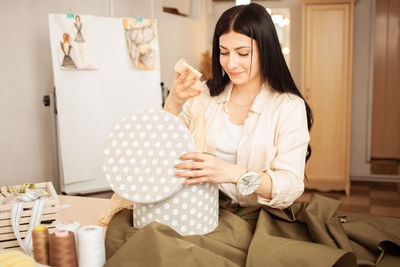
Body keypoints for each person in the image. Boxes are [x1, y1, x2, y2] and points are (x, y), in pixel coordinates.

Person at [163, 3, 313, 209]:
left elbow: (290, 186)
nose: (231, 63)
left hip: (259, 218)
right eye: (224, 52)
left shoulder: (288, 107)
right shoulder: (205, 94)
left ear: (266, 51)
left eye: (243, 53)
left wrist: (233, 173)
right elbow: (164, 152)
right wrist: (172, 103)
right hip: (201, 210)